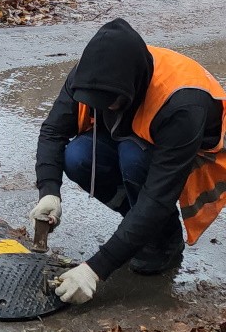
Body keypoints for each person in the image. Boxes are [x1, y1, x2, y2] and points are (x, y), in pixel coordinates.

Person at [30, 18, 226, 305]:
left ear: (130, 87)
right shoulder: (90, 75)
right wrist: (49, 191)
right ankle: (136, 227)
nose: (99, 107)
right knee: (78, 157)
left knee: (133, 158)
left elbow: (159, 196)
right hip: (131, 133)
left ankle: (164, 240)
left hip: (182, 152)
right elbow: (53, 131)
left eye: (107, 102)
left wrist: (96, 269)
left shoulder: (183, 103)